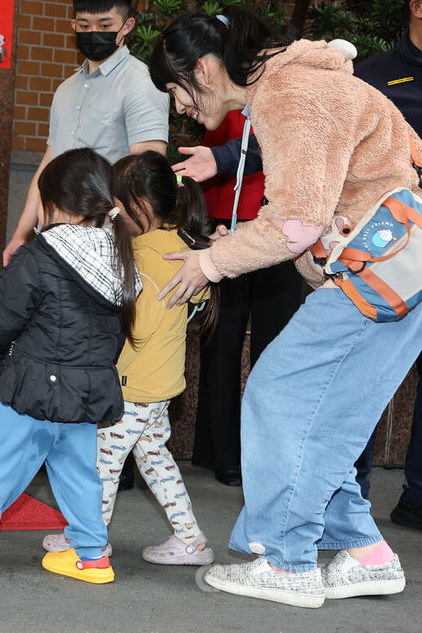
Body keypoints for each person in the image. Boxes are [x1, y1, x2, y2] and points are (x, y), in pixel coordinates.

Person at [149, 8, 420, 608]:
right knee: (330, 418)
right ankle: (363, 552)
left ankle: (286, 561)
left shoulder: (290, 92)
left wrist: (210, 263)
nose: (180, 108)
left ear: (205, 68)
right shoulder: (305, 84)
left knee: (279, 392)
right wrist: (241, 242)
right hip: (399, 270)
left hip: (375, 271)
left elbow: (297, 222)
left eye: (176, 89)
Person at [0, 148, 139, 584]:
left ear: (52, 203)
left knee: (2, 463)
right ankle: (92, 556)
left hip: (32, 388)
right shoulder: (118, 259)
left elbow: (2, 317)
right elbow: (113, 334)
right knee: (80, 474)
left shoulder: (39, 256)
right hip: (85, 391)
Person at [41, 151, 217, 566]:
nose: (112, 214)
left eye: (117, 205)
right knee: (155, 459)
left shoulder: (143, 257)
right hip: (161, 385)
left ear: (137, 207)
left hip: (132, 388)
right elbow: (201, 294)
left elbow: (139, 325)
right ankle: (191, 541)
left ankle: (89, 542)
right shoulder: (182, 247)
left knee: (101, 464)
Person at [178, 110, 303, 487]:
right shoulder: (224, 95)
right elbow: (212, 156)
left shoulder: (288, 95)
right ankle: (221, 452)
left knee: (276, 349)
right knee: (221, 344)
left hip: (281, 233)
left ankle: (268, 452)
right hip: (226, 226)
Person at [2, 0, 170, 266]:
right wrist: (20, 234)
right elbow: (48, 164)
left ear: (127, 26)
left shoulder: (141, 82)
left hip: (105, 241)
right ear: (73, 26)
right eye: (84, 25)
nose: (93, 32)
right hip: (54, 236)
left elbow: (147, 170)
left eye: (105, 25)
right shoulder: (65, 89)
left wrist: (132, 242)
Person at [351, 0, 422, 531]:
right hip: (386, 255)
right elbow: (318, 139)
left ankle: (417, 498)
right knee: (364, 378)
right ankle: (345, 497)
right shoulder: (370, 75)